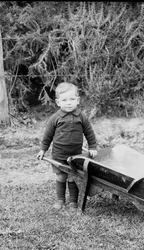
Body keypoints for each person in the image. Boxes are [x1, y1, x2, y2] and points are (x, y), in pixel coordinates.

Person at [36, 82, 98, 210]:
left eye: (72, 99)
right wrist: (43, 150)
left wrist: (92, 147)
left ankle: (73, 202)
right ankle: (60, 200)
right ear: (58, 102)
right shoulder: (55, 118)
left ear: (78, 100)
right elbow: (47, 136)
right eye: (64, 100)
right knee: (61, 176)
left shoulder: (81, 117)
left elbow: (89, 133)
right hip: (59, 154)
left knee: (72, 177)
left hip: (75, 155)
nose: (68, 103)